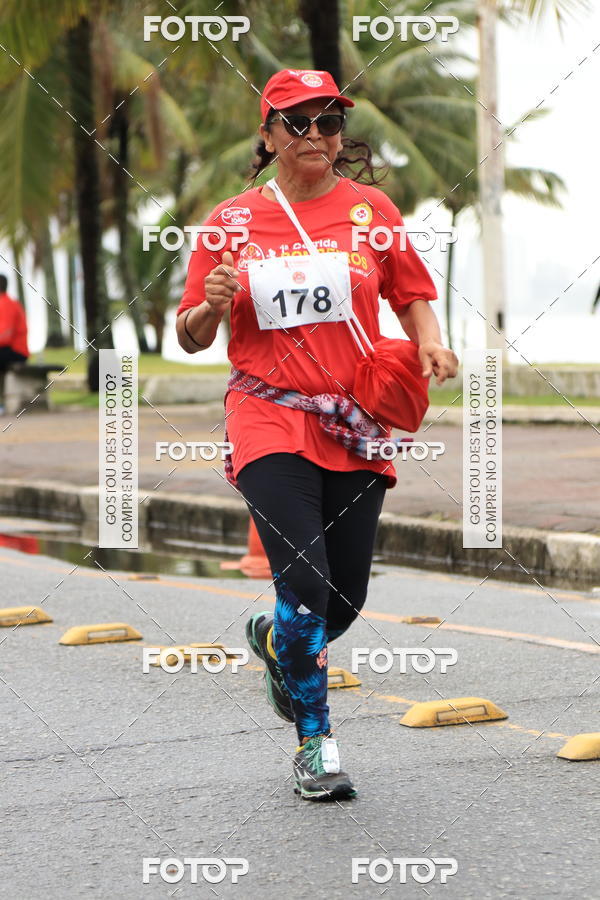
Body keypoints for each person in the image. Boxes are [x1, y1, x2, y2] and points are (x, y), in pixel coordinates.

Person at [176, 69, 458, 801]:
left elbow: (413, 293)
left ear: (341, 134)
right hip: (267, 413)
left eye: (328, 121)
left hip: (352, 419)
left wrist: (429, 342)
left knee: (344, 601)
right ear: (267, 134)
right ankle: (315, 747)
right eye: (296, 121)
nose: (314, 135)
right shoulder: (231, 221)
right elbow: (190, 334)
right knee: (304, 587)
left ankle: (277, 646)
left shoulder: (372, 210)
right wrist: (211, 307)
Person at [0, 275, 29, 413]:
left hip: (16, 351)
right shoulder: (9, 302)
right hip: (10, 350)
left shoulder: (5, 304)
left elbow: (5, 336)